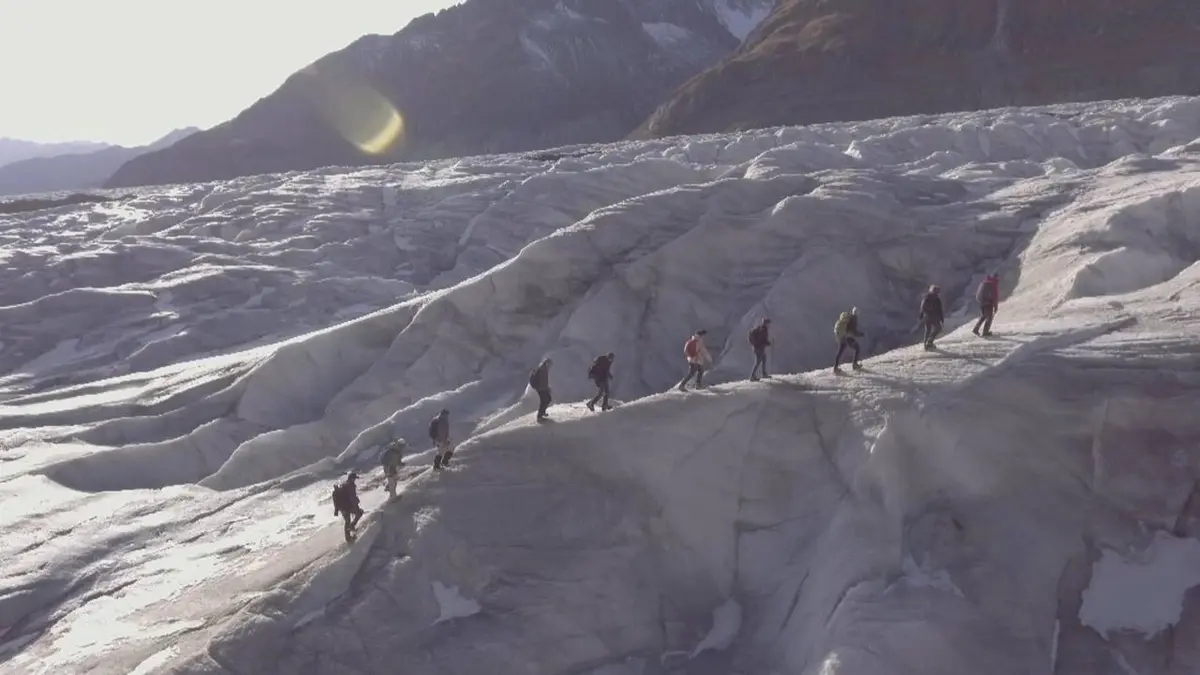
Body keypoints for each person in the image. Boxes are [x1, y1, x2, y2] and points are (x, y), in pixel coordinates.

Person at [332, 471, 363, 543]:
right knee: (359, 513)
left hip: (342, 507)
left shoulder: (343, 485)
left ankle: (348, 536)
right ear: (352, 478)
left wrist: (336, 509)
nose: (355, 480)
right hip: (348, 506)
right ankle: (351, 529)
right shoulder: (350, 486)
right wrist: (356, 507)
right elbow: (352, 498)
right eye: (354, 478)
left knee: (347, 521)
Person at [833, 307, 864, 373]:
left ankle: (835, 368)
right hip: (848, 338)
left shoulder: (848, 317)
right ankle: (854, 365)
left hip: (842, 337)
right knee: (857, 348)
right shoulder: (854, 319)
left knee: (840, 352)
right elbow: (853, 331)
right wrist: (861, 334)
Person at [919, 284, 944, 350]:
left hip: (927, 316)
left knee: (927, 330)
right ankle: (929, 342)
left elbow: (922, 307)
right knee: (938, 328)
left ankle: (926, 344)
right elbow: (940, 309)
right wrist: (941, 318)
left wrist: (921, 315)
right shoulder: (936, 299)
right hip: (934, 316)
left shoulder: (926, 297)